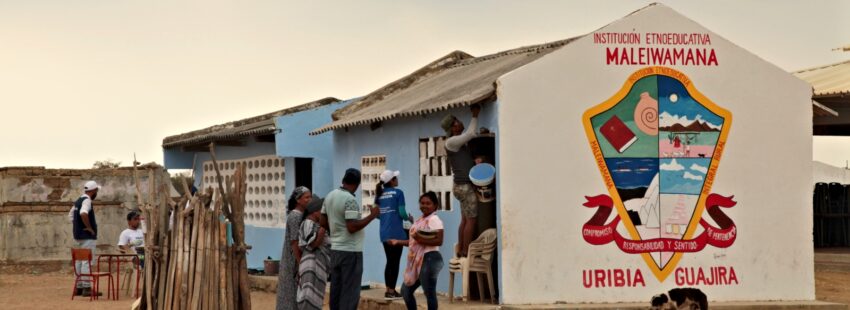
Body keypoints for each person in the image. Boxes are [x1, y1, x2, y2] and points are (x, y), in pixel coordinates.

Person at [321, 168, 380, 310]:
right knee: (350, 292)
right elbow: (352, 227)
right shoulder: (350, 199)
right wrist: (372, 216)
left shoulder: (330, 195)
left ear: (343, 180)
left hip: (335, 250)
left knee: (337, 289)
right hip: (351, 251)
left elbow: (322, 222)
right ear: (358, 184)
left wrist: (335, 231)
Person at [387, 191, 445, 310]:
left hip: (430, 259)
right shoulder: (420, 220)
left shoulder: (434, 219)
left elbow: (439, 241)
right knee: (406, 290)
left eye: (428, 203)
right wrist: (397, 242)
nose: (424, 206)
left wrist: (419, 239)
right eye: (422, 203)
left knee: (429, 293)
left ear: (435, 205)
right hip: (419, 260)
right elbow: (414, 242)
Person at [441, 104, 481, 257]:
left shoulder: (458, 142)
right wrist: (475, 115)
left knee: (464, 219)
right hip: (464, 186)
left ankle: (461, 250)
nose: (459, 122)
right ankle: (465, 251)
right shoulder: (451, 142)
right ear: (453, 128)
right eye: (456, 122)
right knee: (471, 220)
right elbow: (471, 133)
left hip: (460, 186)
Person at [375, 169, 411, 300]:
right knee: (394, 262)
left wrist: (387, 217)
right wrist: (409, 219)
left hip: (384, 232)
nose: (397, 179)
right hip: (397, 232)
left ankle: (388, 290)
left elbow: (377, 215)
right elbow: (402, 213)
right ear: (392, 181)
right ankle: (391, 291)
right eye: (395, 178)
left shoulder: (379, 194)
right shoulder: (398, 193)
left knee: (389, 261)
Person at [276, 186, 313, 310]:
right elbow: (294, 242)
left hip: (296, 260)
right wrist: (300, 264)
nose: (310, 199)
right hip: (292, 261)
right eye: (307, 197)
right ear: (298, 200)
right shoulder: (295, 217)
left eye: (310, 197)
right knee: (291, 293)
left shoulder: (302, 215)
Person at [296, 197, 330, 310]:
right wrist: (324, 226)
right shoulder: (308, 223)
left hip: (317, 265)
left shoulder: (315, 224)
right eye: (322, 211)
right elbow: (314, 243)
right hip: (311, 265)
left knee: (314, 297)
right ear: (315, 212)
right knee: (308, 296)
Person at [71, 180, 101, 296]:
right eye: (96, 191)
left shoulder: (78, 201)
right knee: (86, 262)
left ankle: (78, 287)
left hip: (78, 235)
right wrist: (89, 228)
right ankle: (87, 288)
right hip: (87, 236)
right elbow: (83, 213)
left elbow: (71, 216)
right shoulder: (87, 200)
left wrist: (77, 227)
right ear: (93, 191)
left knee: (79, 261)